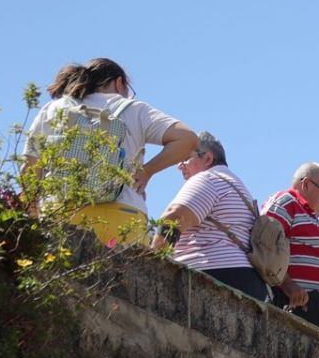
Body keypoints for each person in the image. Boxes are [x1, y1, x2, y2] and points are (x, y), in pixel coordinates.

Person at [23, 58, 196, 246]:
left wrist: (33, 213)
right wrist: (147, 171)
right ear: (119, 82)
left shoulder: (53, 109)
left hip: (61, 212)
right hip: (122, 216)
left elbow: (30, 168)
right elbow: (188, 139)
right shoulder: (134, 109)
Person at [157, 131, 267, 302]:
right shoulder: (240, 188)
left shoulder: (208, 178)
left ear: (207, 159)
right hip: (248, 280)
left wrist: (151, 261)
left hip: (214, 274)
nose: (179, 165)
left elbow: (175, 217)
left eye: (186, 158)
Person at [263, 163, 319, 328]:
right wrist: (287, 284)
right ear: (306, 184)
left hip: (314, 317)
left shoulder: (314, 220)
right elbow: (265, 244)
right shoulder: (286, 202)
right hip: (291, 307)